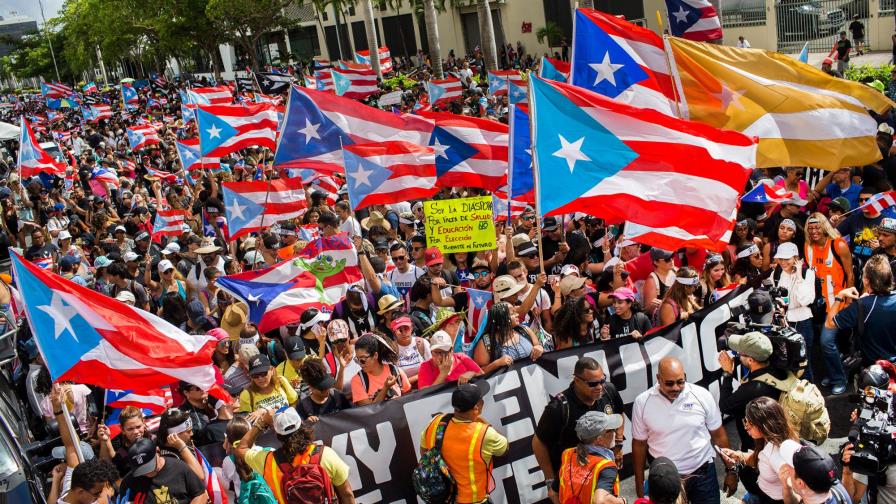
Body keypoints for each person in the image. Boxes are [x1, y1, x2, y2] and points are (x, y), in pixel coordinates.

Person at [632, 357, 737, 503]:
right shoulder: (642, 402)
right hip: (665, 481)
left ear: (685, 377)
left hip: (703, 476)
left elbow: (718, 435)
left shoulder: (702, 395)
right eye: (669, 383)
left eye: (680, 382)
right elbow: (639, 444)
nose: (675, 387)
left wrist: (732, 471)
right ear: (658, 378)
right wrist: (639, 486)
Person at [533, 357, 624, 501]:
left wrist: (618, 444)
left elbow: (619, 413)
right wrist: (551, 480)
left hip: (599, 473)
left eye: (602, 380)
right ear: (577, 380)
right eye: (593, 383)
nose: (600, 386)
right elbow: (538, 443)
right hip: (572, 479)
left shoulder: (609, 391)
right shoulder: (558, 408)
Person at [238, 408, 355, 503]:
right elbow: (347, 494)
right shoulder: (325, 455)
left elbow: (241, 448)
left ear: (278, 435)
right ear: (303, 426)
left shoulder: (268, 461)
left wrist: (262, 421)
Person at [420, 381, 507, 504]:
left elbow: (424, 452)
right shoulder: (484, 433)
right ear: (476, 408)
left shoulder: (435, 422)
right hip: (473, 501)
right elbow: (504, 448)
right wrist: (485, 423)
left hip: (441, 498)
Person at [720, 397, 801, 504]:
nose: (746, 427)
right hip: (758, 494)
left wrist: (788, 488)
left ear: (765, 424)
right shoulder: (768, 442)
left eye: (750, 423)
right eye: (746, 421)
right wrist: (739, 456)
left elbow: (796, 495)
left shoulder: (779, 455)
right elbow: (761, 459)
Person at [718, 331, 790, 451]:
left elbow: (725, 406)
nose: (738, 355)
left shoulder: (753, 389)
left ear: (751, 360)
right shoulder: (780, 370)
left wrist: (727, 373)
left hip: (757, 447)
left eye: (740, 353)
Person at [826, 254, 896, 372]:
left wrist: (839, 296)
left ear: (866, 280)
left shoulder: (862, 305)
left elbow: (829, 323)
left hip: (872, 371)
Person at [557, 411, 624, 504]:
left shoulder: (568, 454)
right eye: (611, 429)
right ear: (599, 439)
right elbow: (600, 501)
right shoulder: (606, 467)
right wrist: (622, 501)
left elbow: (553, 493)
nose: (615, 432)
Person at [118, 437, 208, 504]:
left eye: (149, 466)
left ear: (157, 451)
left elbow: (201, 494)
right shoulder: (129, 482)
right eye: (141, 469)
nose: (146, 472)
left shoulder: (179, 467)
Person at [805, 213, 852, 311]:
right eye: (810, 228)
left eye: (818, 228)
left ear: (825, 227)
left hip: (836, 303)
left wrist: (849, 302)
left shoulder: (839, 245)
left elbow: (850, 275)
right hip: (815, 303)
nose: (814, 231)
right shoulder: (808, 246)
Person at [350, 333, 412, 404]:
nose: (360, 364)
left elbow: (408, 399)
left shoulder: (396, 371)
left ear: (375, 355)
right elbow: (369, 411)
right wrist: (385, 388)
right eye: (357, 360)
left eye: (363, 360)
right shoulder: (358, 380)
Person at [418, 330, 483, 389]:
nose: (440, 357)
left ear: (451, 350)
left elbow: (483, 375)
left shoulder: (462, 358)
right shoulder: (425, 366)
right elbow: (425, 395)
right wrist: (443, 374)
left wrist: (472, 373)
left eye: (443, 352)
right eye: (436, 352)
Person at [297, 357, 350, 422]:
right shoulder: (302, 407)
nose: (326, 391)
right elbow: (301, 430)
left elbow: (351, 419)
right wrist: (307, 423)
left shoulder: (338, 396)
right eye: (322, 389)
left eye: (328, 386)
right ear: (310, 387)